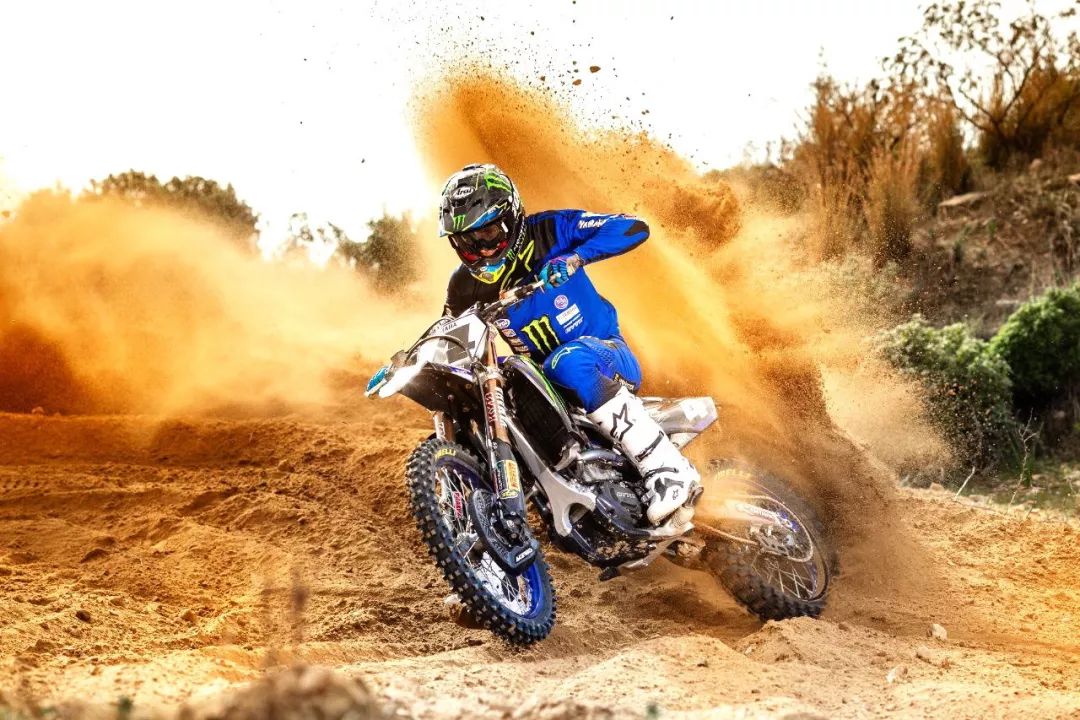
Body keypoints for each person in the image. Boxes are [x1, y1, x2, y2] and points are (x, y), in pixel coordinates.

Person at [439, 163, 700, 527]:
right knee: (499, 395)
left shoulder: (551, 230)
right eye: (467, 243)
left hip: (605, 357)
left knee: (566, 361)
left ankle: (669, 470)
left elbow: (634, 227)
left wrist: (575, 257)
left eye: (488, 234)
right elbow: (449, 333)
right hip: (548, 389)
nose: (481, 250)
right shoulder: (463, 286)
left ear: (512, 219)